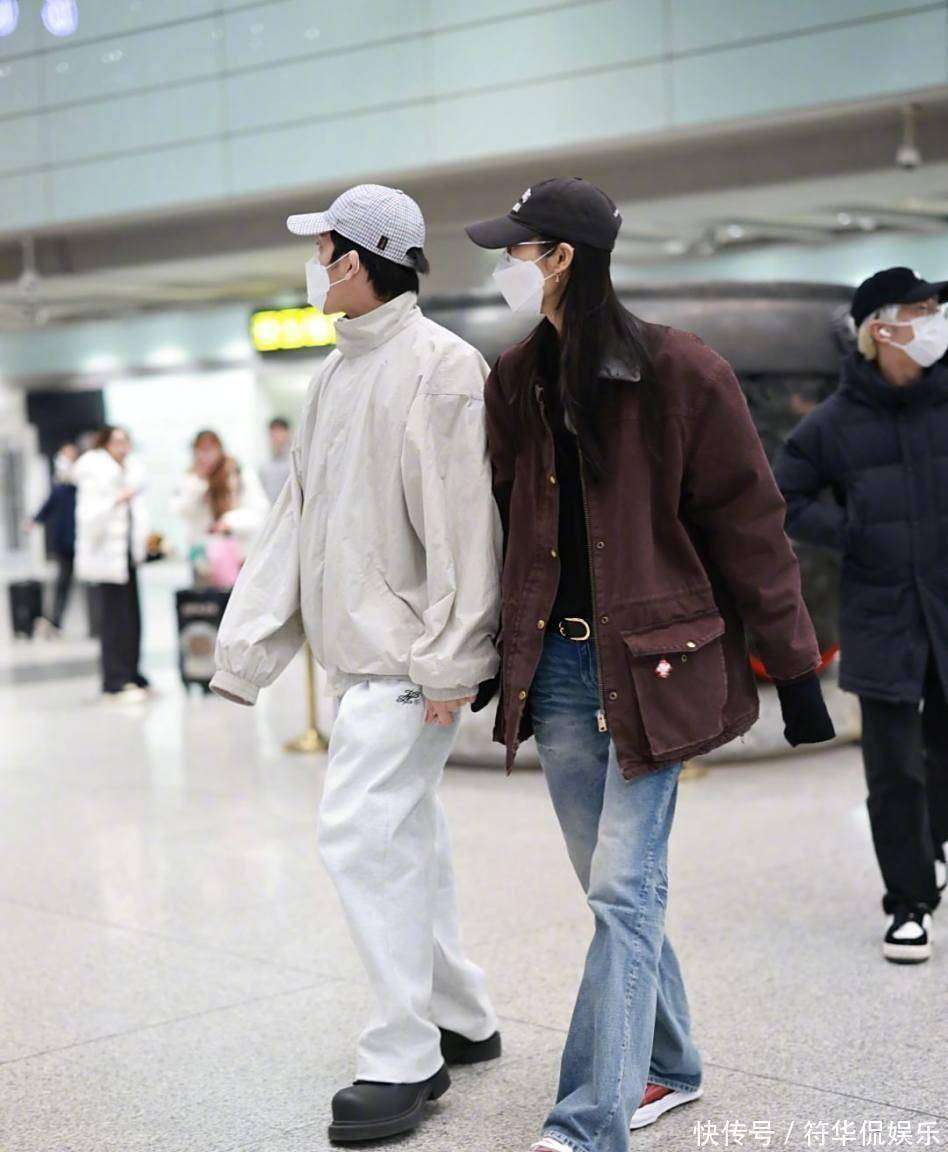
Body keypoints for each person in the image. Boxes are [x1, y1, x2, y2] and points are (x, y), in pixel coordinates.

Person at [464, 177, 836, 1152]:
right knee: (613, 893)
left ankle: (588, 1123)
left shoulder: (681, 371)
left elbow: (750, 524)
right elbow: (504, 527)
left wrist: (795, 669)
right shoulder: (514, 379)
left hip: (655, 671)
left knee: (624, 891)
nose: (503, 265)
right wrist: (495, 653)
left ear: (562, 258)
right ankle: (670, 1065)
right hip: (557, 674)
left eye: (517, 249)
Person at [210, 185, 503, 1143]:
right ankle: (462, 1015)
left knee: (357, 832)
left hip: (410, 664)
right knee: (407, 832)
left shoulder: (442, 368)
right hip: (362, 661)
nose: (314, 266)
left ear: (358, 259)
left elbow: (467, 531)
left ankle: (403, 1055)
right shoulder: (336, 375)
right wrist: (248, 651)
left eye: (323, 248)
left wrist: (453, 662)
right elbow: (296, 523)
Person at [775, 267, 948, 965]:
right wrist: (853, 531)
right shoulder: (834, 423)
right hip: (881, 615)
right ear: (882, 328)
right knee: (894, 767)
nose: (935, 320)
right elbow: (784, 496)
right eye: (921, 310)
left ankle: (935, 844)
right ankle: (908, 902)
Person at [73, 425, 150, 701]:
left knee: (132, 619)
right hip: (106, 559)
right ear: (104, 443)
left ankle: (133, 674)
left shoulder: (131, 471)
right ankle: (115, 681)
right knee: (114, 621)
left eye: (125, 440)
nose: (122, 445)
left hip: (128, 557)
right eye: (116, 440)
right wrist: (116, 500)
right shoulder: (93, 472)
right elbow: (87, 518)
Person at [171, 430, 269, 590]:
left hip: (238, 556)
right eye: (200, 450)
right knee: (206, 602)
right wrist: (198, 484)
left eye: (209, 449)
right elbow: (182, 511)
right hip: (203, 560)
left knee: (236, 600)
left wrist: (229, 522)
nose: (205, 456)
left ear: (219, 449)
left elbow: (259, 511)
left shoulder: (238, 474)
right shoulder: (191, 479)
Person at [31, 442, 79, 633]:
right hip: (64, 540)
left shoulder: (80, 480)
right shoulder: (60, 482)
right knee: (63, 582)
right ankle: (55, 620)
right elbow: (50, 504)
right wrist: (34, 520)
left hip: (82, 539)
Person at [260, 416, 293, 503]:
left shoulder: (294, 464)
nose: (277, 437)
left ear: (288, 434)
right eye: (273, 433)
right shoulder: (265, 468)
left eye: (280, 432)